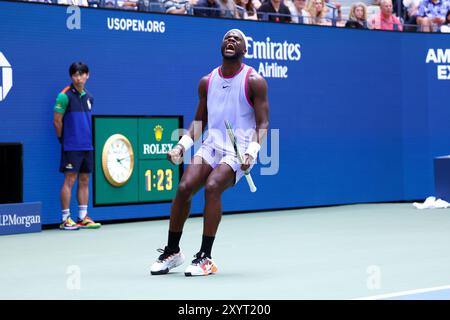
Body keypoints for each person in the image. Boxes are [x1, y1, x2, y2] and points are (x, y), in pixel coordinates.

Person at [150, 29, 269, 277]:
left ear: (244, 50)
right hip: (212, 145)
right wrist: (181, 146)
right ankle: (172, 252)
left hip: (240, 149)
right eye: (227, 37)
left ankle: (205, 257)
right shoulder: (207, 81)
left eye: (237, 39)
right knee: (184, 188)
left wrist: (252, 153)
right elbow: (199, 122)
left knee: (214, 186)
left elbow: (263, 124)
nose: (231, 40)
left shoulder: (254, 81)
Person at [53, 62, 101, 231]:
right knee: (70, 180)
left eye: (81, 74)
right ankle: (65, 219)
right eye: (75, 75)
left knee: (84, 180)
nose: (78, 78)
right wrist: (62, 139)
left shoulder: (89, 97)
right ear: (71, 77)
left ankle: (82, 217)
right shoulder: (64, 96)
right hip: (71, 145)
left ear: (87, 75)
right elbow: (57, 121)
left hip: (87, 146)